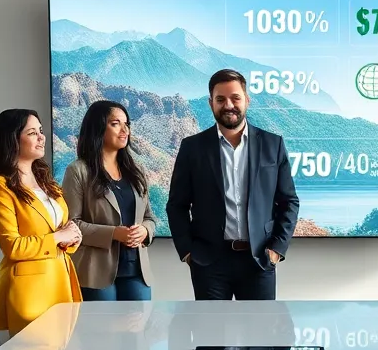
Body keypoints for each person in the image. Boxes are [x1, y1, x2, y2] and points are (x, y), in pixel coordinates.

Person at [166, 69, 299, 300]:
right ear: (211, 103)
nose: (229, 105)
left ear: (246, 100)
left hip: (259, 260)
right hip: (209, 263)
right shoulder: (193, 148)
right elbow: (176, 205)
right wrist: (188, 252)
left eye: (235, 98)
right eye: (220, 99)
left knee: (260, 334)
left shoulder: (272, 144)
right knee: (211, 335)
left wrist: (277, 249)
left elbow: (289, 201)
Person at [0, 109, 83, 335]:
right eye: (32, 132)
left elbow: (63, 231)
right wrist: (59, 237)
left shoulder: (46, 182)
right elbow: (12, 246)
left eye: (40, 131)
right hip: (30, 292)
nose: (42, 137)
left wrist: (72, 237)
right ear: (13, 140)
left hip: (60, 282)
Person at [61, 100, 157, 301]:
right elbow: (72, 225)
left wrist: (145, 230)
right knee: (103, 331)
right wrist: (114, 234)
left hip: (136, 270)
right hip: (96, 272)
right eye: (115, 123)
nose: (125, 130)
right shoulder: (78, 171)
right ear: (98, 128)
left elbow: (149, 217)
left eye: (126, 124)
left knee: (138, 329)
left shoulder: (136, 171)